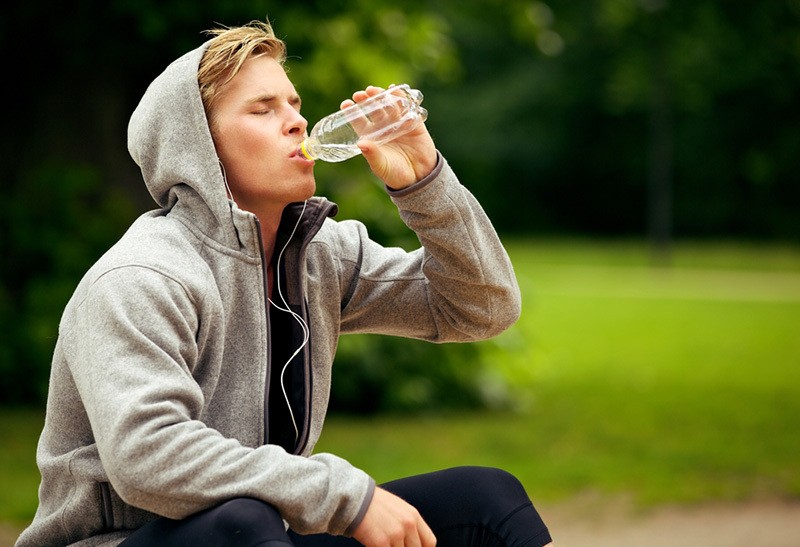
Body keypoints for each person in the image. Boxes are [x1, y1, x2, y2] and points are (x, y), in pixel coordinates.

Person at [16, 19, 554, 547]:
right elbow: (148, 456)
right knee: (242, 520)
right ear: (198, 148)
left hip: (261, 533)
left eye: (294, 105)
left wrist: (423, 181)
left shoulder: (319, 256)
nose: (296, 122)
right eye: (263, 108)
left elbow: (479, 308)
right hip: (130, 539)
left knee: (486, 500)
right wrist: (345, 494)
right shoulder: (142, 278)